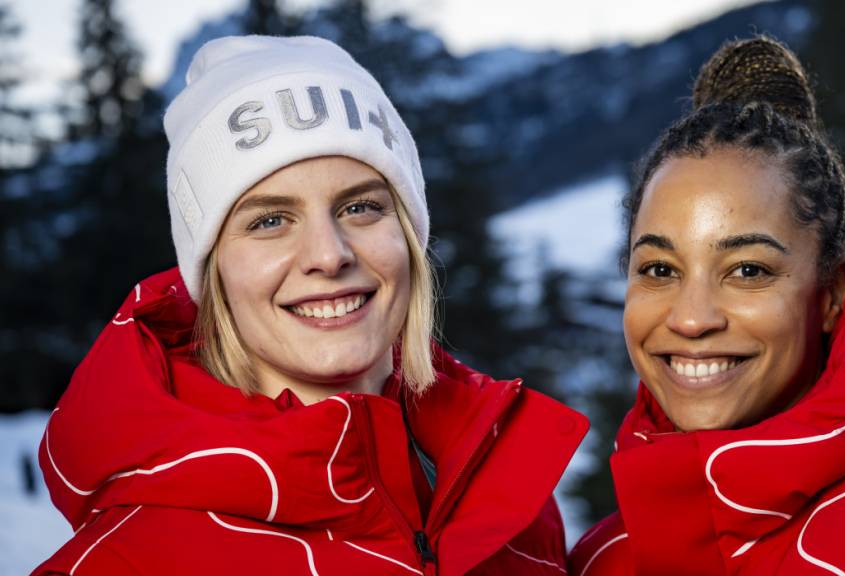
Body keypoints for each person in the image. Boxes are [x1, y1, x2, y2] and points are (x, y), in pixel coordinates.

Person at [34, 35, 587, 576]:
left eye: (361, 207)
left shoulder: (514, 505)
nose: (328, 254)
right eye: (269, 220)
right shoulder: (125, 562)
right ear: (213, 268)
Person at [569, 36, 845, 575]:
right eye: (660, 270)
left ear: (829, 296)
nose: (691, 319)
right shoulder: (600, 560)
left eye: (748, 271)